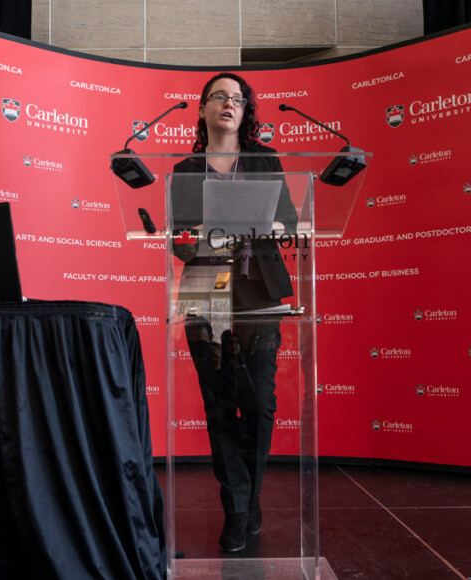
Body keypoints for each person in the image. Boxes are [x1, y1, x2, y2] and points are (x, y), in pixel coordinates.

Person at [170, 72, 298, 553]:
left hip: (258, 285)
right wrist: (203, 230)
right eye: (219, 97)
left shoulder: (265, 160)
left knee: (260, 401)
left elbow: (288, 220)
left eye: (238, 99)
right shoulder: (184, 169)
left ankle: (252, 492)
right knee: (221, 402)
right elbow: (180, 245)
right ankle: (236, 505)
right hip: (207, 283)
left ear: (246, 113)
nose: (229, 103)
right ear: (202, 109)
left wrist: (263, 223)